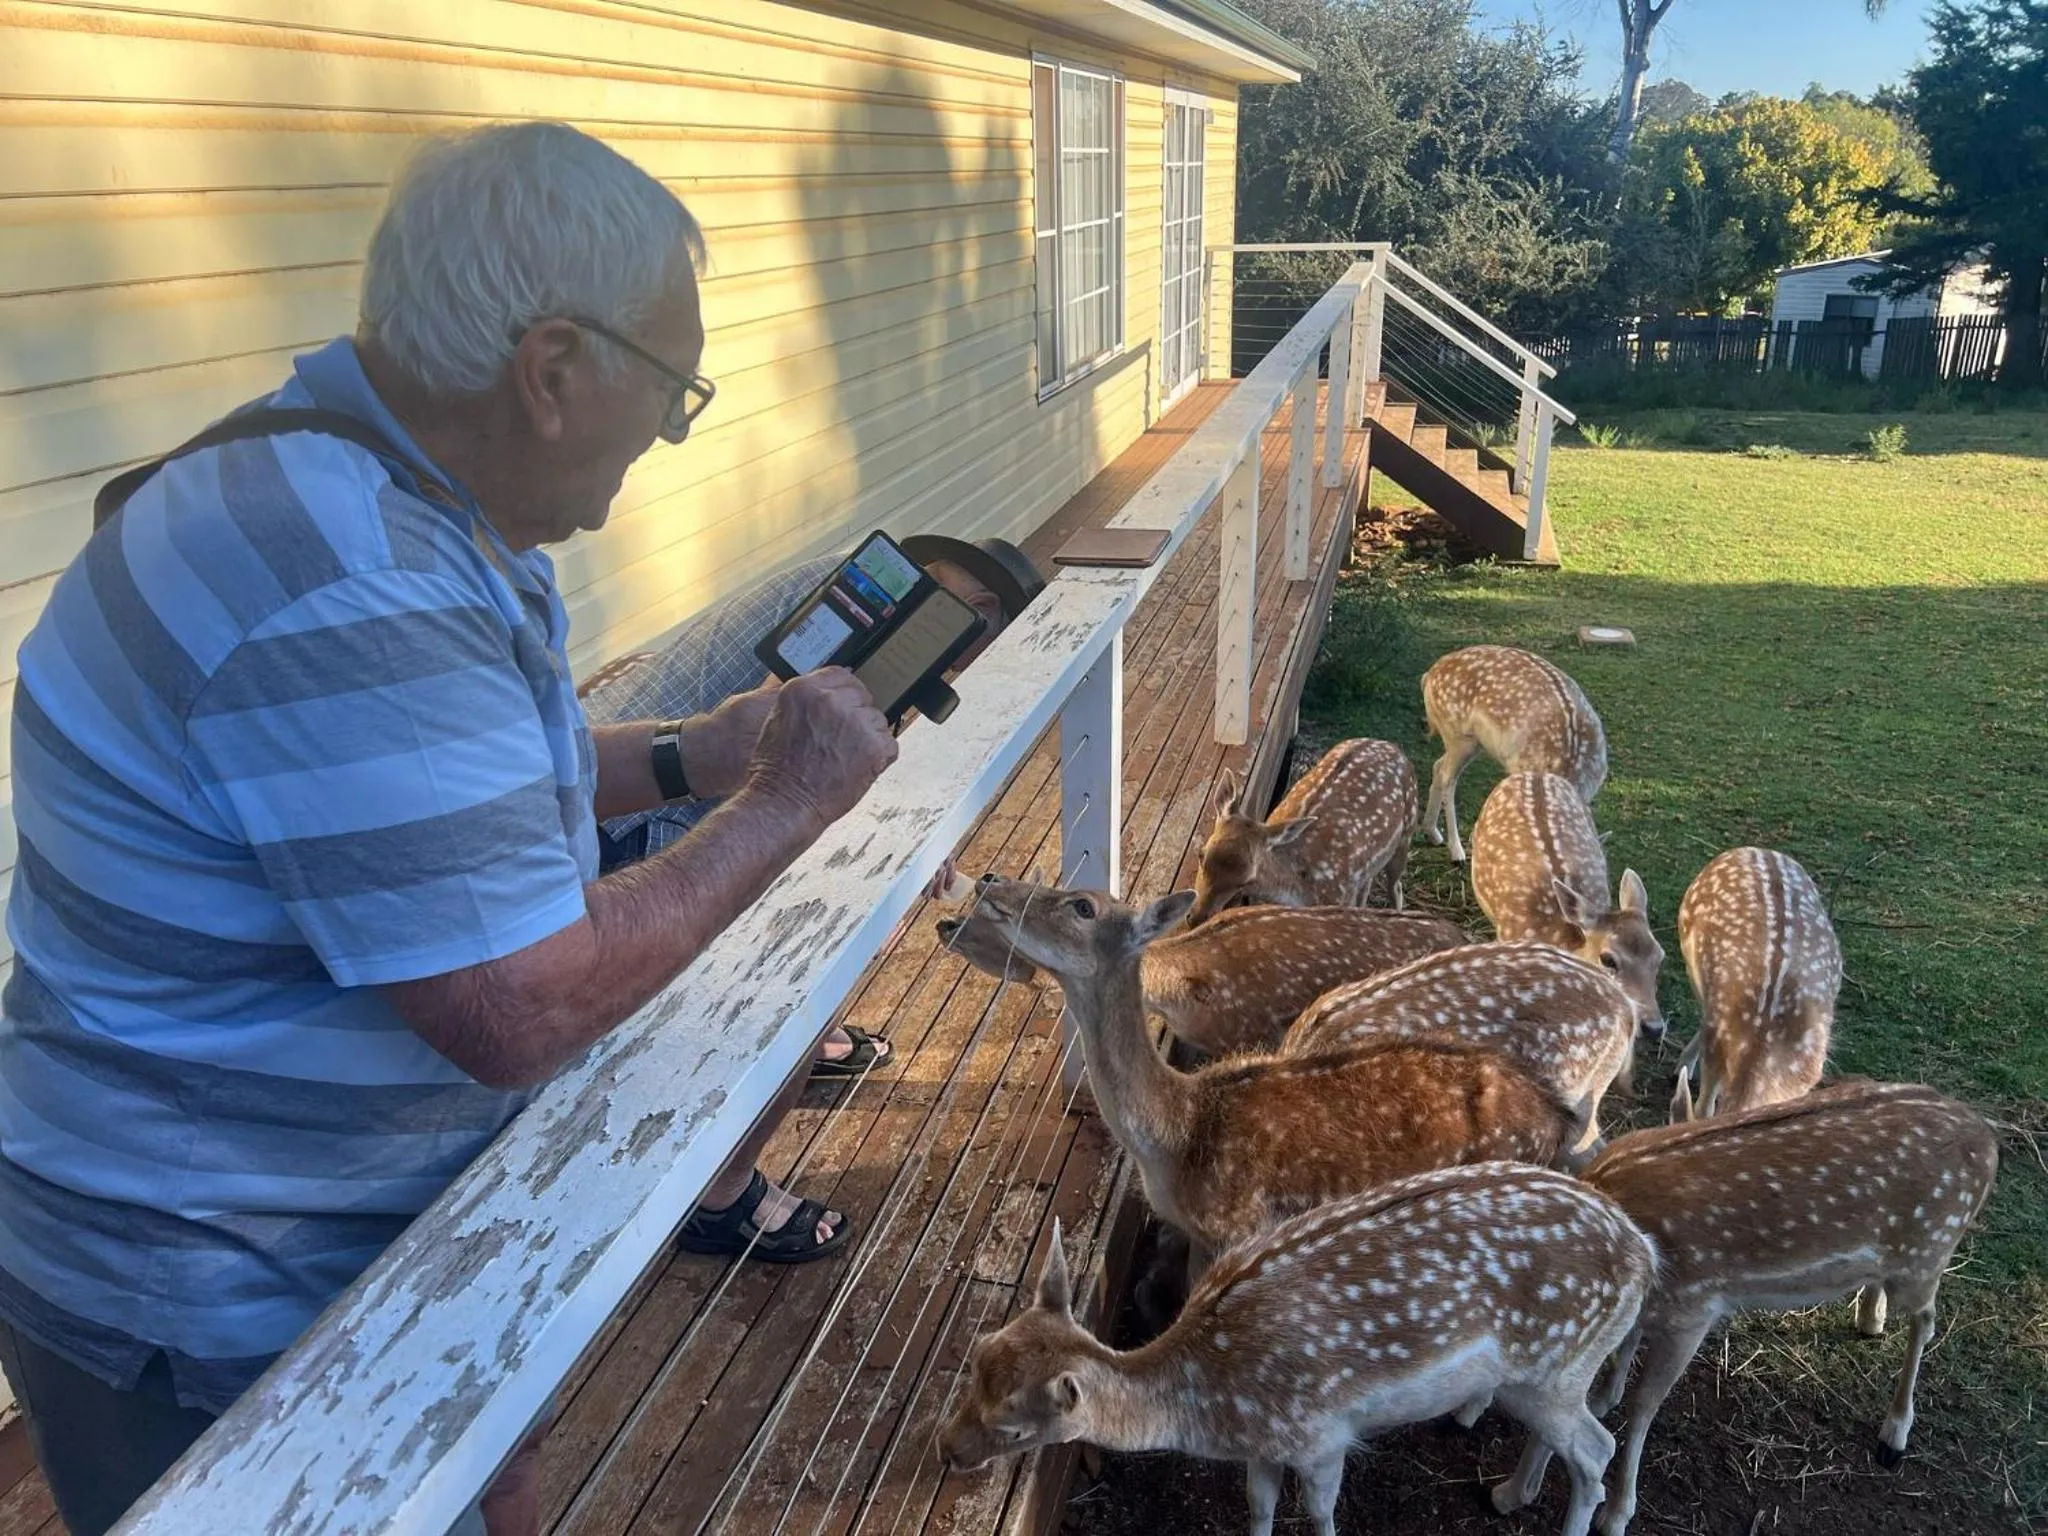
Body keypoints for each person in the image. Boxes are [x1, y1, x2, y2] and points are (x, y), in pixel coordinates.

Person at [0, 121, 901, 1536]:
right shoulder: (351, 585)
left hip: (343, 1231)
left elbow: (450, 804)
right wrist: (789, 802)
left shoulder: (379, 488)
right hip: (216, 1286)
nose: (671, 434)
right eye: (675, 393)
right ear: (551, 372)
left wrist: (691, 756)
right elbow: (520, 1004)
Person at [582, 533, 1043, 1086]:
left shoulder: (871, 586)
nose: (960, 671)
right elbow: (787, 758)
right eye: (982, 650)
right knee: (846, 912)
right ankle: (767, 1059)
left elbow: (823, 753)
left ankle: (798, 1035)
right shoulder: (882, 619)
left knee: (859, 879)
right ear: (979, 611)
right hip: (636, 823)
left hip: (619, 764)